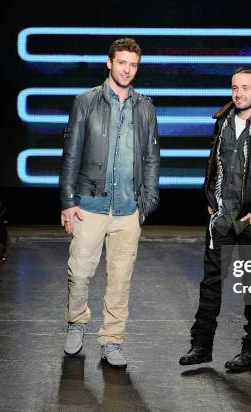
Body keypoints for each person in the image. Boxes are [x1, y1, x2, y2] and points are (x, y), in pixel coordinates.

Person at [179, 66, 251, 372]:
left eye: (245, 87)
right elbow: (214, 165)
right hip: (221, 219)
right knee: (211, 285)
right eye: (234, 88)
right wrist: (209, 198)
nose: (239, 93)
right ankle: (201, 346)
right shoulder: (223, 122)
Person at [59, 38, 160, 368]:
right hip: (89, 203)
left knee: (120, 278)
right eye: (122, 63)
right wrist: (67, 201)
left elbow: (151, 157)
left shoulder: (145, 105)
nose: (127, 70)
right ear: (109, 63)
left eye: (133, 65)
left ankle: (113, 339)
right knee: (79, 272)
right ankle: (76, 322)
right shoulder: (86, 101)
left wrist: (148, 201)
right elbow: (71, 153)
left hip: (128, 208)